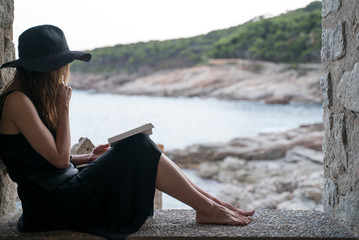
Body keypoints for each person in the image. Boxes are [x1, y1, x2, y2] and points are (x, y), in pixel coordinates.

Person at [0, 25, 254, 240]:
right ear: (45, 68)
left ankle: (211, 204)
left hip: (59, 191)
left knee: (136, 143)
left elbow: (41, 159)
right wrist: (63, 108)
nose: (63, 73)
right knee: (138, 147)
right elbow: (56, 159)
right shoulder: (17, 101)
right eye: (61, 66)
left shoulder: (26, 97)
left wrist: (85, 158)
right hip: (50, 206)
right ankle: (207, 208)